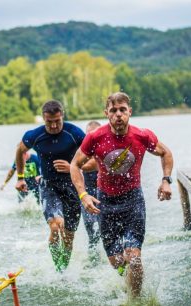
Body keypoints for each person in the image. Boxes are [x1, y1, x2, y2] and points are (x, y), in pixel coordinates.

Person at [70, 92, 173, 297]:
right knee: (117, 262)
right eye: (114, 110)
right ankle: (129, 283)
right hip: (105, 202)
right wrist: (83, 195)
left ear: (129, 112)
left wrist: (166, 180)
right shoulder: (95, 137)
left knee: (133, 257)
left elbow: (166, 153)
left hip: (133, 199)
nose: (118, 114)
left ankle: (134, 300)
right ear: (106, 113)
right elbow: (75, 164)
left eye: (122, 110)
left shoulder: (142, 135)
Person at [15, 100, 86, 272]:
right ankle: (58, 269)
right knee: (55, 225)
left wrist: (72, 167)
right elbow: (19, 150)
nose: (54, 126)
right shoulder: (35, 135)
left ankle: (63, 269)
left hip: (71, 185)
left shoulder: (74, 133)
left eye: (57, 121)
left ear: (62, 115)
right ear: (44, 118)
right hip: (49, 186)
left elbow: (92, 158)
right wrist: (20, 177)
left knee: (69, 237)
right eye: (49, 122)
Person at [82, 121, 101, 264]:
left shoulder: (107, 149)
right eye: (89, 134)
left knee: (105, 227)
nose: (92, 137)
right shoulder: (82, 151)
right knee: (91, 228)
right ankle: (94, 259)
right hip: (87, 194)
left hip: (105, 193)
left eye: (95, 133)